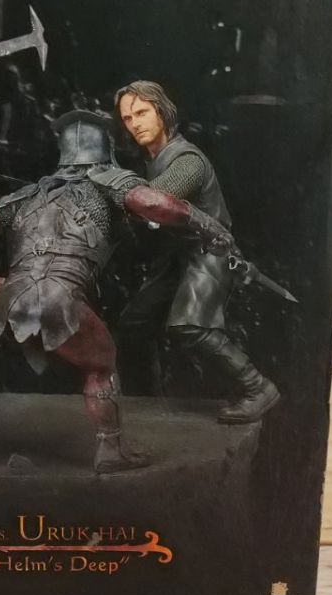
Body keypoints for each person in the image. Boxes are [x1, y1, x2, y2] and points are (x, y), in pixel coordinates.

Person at [0, 110, 239, 473]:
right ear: (107, 147)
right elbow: (155, 204)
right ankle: (110, 449)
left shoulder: (31, 193)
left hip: (8, 298)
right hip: (62, 304)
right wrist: (208, 224)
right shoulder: (114, 184)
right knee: (101, 365)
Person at [115, 80, 280, 424]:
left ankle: (258, 388)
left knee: (188, 326)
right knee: (133, 325)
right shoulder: (153, 159)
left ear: (162, 112)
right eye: (128, 118)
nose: (134, 124)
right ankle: (145, 399)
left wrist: (112, 191)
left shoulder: (186, 159)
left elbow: (153, 200)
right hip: (176, 257)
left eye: (142, 113)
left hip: (209, 252)